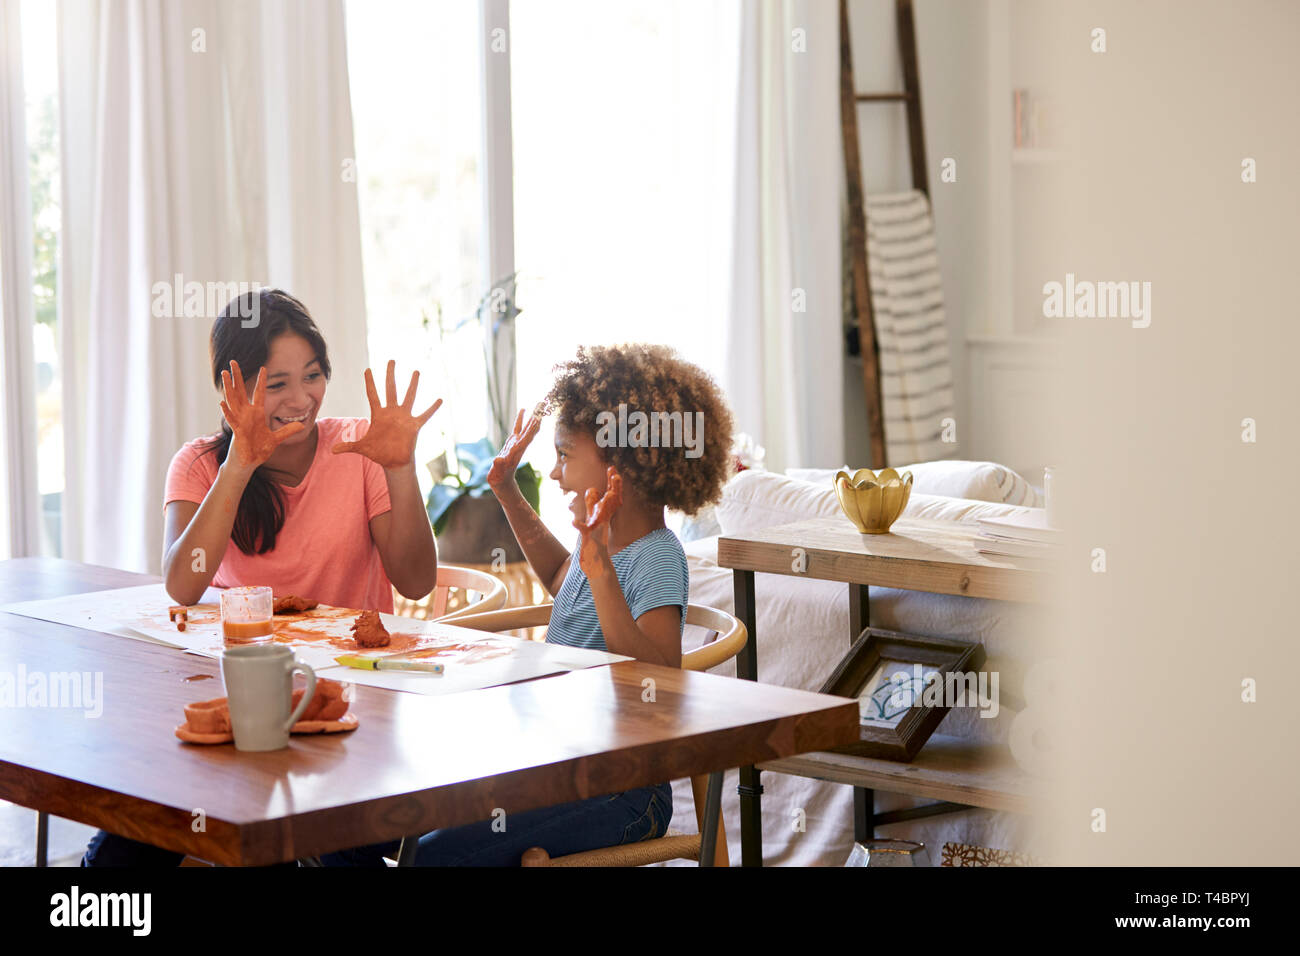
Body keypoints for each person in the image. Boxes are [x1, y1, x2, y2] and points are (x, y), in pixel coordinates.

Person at [322, 342, 735, 866]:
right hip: (556, 768)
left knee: (431, 857)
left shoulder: (654, 556)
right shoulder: (600, 551)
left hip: (620, 790)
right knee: (346, 828)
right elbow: (563, 578)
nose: (557, 473)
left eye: (564, 455)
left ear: (624, 465)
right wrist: (506, 489)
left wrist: (601, 570)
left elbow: (659, 675)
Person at [82, 288, 441, 866]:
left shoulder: (362, 449)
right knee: (130, 843)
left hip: (345, 710)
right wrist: (240, 464)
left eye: (314, 375)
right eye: (277, 384)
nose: (301, 399)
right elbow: (182, 585)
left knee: (331, 843)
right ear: (235, 389)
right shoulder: (201, 463)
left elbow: (417, 580)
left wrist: (400, 469)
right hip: (237, 698)